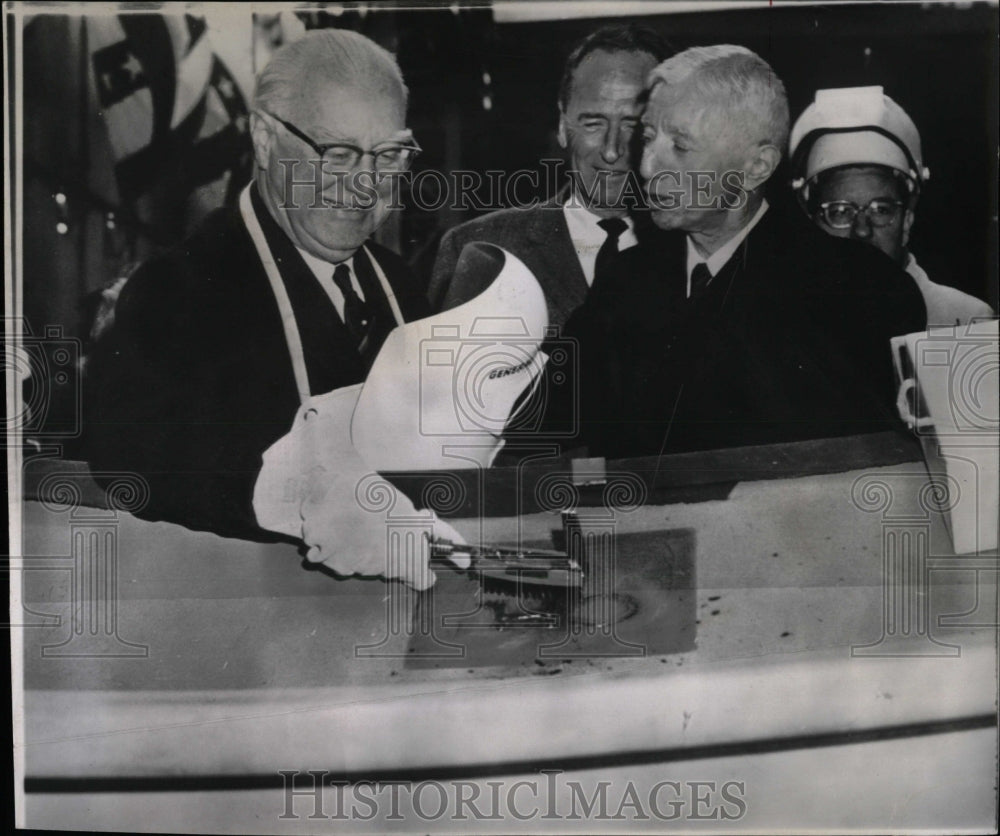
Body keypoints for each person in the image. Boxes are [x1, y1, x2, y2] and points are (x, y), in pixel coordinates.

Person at [84, 30, 464, 588]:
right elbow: (135, 462)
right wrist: (299, 495)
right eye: (336, 153)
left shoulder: (399, 286)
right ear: (264, 139)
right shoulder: (176, 291)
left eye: (389, 154)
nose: (364, 184)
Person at [555, 45, 927, 459]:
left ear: (756, 167)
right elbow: (563, 444)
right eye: (648, 137)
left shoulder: (859, 291)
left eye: (679, 146)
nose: (645, 167)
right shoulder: (623, 283)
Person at [427, 24, 671, 330]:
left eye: (632, 126)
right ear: (561, 125)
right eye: (593, 123)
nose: (612, 151)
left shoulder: (697, 251)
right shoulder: (479, 248)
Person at [789, 85, 994, 327]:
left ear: (907, 221)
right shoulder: (788, 325)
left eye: (880, 210)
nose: (862, 230)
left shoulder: (963, 321)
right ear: (813, 225)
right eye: (840, 212)